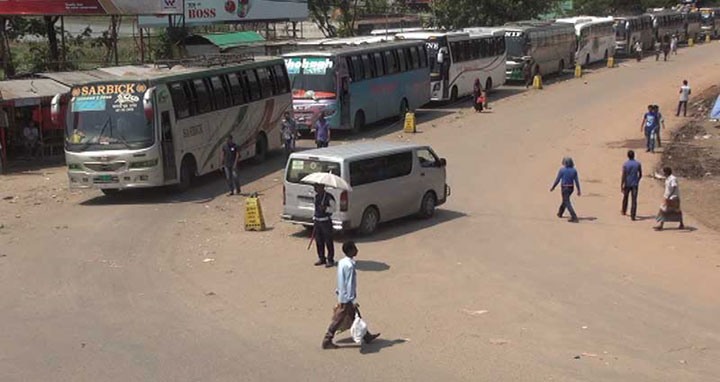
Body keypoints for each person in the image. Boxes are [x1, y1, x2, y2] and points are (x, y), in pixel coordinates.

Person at [322, 241, 380, 349]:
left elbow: (340, 278)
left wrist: (338, 290)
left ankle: (366, 336)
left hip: (342, 294)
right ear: (350, 251)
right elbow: (349, 284)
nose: (357, 250)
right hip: (347, 298)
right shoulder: (349, 266)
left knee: (355, 315)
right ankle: (327, 339)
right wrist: (353, 300)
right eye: (355, 248)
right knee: (339, 318)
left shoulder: (342, 262)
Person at [550, 157, 581, 223]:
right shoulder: (574, 170)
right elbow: (576, 181)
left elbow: (557, 179)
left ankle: (574, 217)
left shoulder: (562, 170)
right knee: (565, 200)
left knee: (567, 201)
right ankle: (560, 213)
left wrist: (553, 187)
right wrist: (578, 190)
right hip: (571, 188)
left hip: (564, 188)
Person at [313, 183, 335, 267]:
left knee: (328, 241)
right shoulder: (317, 197)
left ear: (322, 187)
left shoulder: (329, 197)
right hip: (317, 221)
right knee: (319, 241)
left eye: (317, 187)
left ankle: (330, 259)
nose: (315, 188)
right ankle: (321, 258)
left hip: (326, 222)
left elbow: (334, 208)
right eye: (314, 187)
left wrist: (326, 208)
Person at [621, 150, 642, 221]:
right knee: (634, 200)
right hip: (635, 184)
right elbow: (640, 174)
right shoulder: (638, 164)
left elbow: (623, 175)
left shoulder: (625, 164)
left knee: (625, 197)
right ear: (634, 155)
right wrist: (637, 180)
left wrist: (622, 184)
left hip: (627, 183)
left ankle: (624, 210)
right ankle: (633, 215)